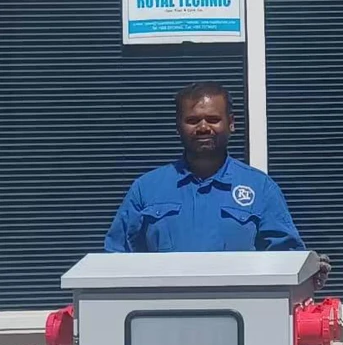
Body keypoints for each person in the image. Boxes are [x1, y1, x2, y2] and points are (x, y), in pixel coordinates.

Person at [104, 81, 330, 288]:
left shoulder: (260, 188)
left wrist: (309, 270)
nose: (203, 127)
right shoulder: (146, 189)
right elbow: (115, 261)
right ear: (178, 127)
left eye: (213, 119)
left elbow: (287, 260)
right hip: (161, 314)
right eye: (192, 120)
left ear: (231, 123)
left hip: (241, 314)